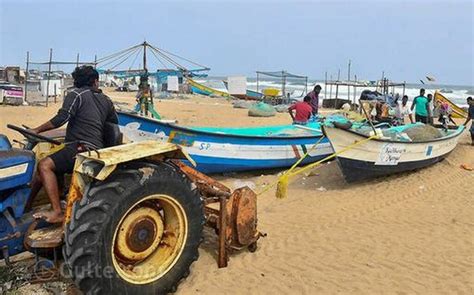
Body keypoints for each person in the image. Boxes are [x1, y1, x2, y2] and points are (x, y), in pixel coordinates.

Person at [28, 66, 118, 223]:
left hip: (81, 147)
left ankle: (57, 212)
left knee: (44, 165)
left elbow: (61, 118)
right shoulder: (107, 101)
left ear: (77, 81)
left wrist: (36, 130)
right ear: (95, 81)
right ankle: (25, 209)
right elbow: (113, 127)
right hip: (93, 148)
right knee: (39, 173)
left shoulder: (76, 95)